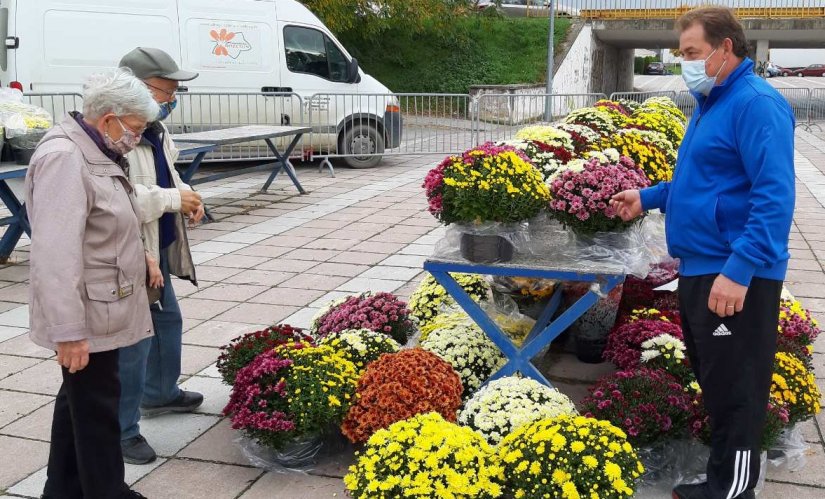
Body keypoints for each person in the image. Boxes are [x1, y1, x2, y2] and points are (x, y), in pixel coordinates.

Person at [611, 7, 795, 499]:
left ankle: (733, 491)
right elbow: (702, 183)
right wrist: (647, 197)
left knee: (736, 389)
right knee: (716, 380)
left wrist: (739, 271)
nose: (685, 63)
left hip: (733, 275)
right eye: (682, 54)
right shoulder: (710, 101)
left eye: (692, 53)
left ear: (725, 48)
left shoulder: (756, 104)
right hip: (700, 266)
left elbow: (773, 197)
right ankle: (722, 482)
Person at [26, 68, 159, 499]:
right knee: (99, 409)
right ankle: (107, 491)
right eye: (135, 130)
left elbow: (106, 223)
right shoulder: (65, 157)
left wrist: (143, 256)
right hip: (86, 313)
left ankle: (61, 489)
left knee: (78, 402)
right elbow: (54, 252)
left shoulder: (94, 148)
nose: (136, 138)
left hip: (102, 302)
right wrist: (69, 332)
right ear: (109, 119)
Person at [117, 47, 206, 465]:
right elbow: (118, 198)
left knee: (167, 320)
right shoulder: (118, 133)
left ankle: (160, 394)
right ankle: (122, 431)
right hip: (125, 256)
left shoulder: (152, 129)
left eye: (173, 92)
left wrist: (188, 199)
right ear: (136, 87)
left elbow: (165, 176)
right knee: (131, 345)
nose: (170, 99)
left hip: (153, 249)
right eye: (164, 91)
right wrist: (174, 198)